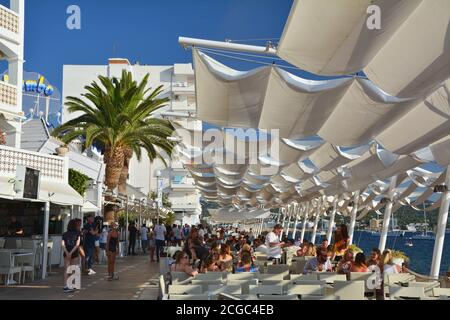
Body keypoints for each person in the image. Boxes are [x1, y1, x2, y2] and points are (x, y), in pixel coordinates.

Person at [62, 219, 80, 292]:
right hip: (74, 253)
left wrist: (67, 252)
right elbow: (77, 245)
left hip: (66, 253)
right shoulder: (77, 234)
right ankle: (71, 285)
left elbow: (62, 245)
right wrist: (71, 252)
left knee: (66, 269)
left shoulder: (64, 234)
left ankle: (65, 286)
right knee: (73, 269)